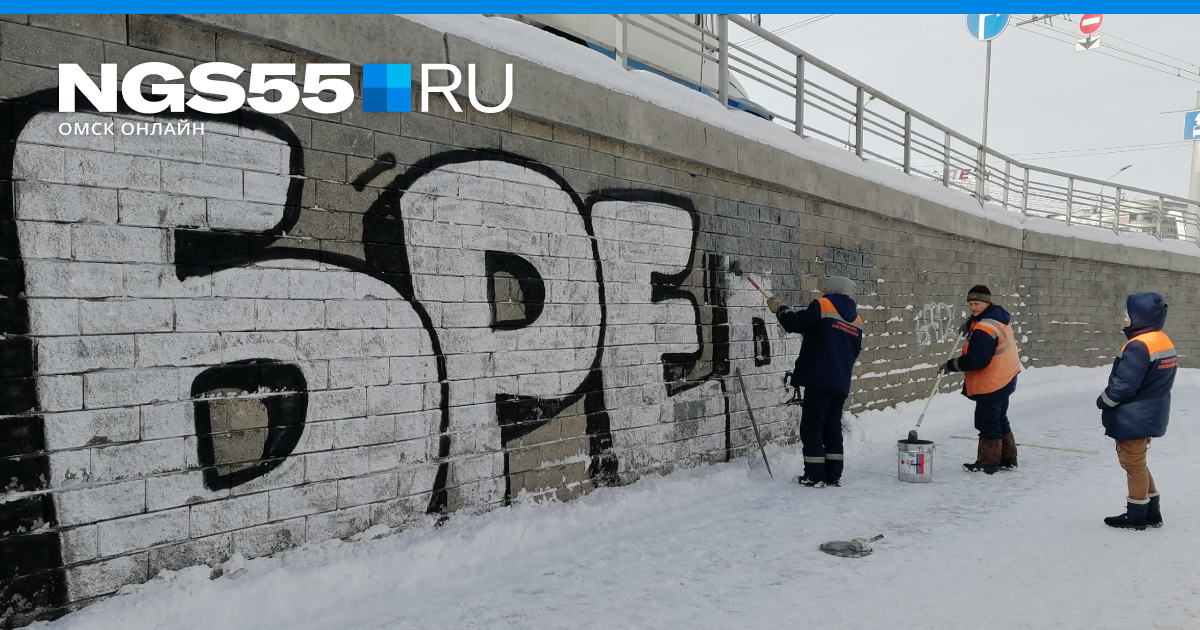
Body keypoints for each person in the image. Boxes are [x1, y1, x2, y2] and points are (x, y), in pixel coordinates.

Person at [767, 276, 863, 488]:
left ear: (836, 288)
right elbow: (854, 351)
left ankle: (814, 475)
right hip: (840, 381)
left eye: (827, 284)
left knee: (811, 427)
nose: (824, 287)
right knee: (832, 427)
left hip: (819, 379)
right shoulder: (856, 319)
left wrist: (779, 309)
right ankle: (833, 474)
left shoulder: (823, 304)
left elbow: (797, 323)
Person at [1096, 292, 1176, 531]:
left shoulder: (1139, 345)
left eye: (1129, 314)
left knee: (1132, 463)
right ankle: (1152, 510)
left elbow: (1123, 385)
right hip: (1151, 410)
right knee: (1138, 461)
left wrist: (1104, 401)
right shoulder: (1161, 339)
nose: (1125, 318)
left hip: (1133, 414)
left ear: (1140, 316)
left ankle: (1137, 514)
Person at [940, 285, 1021, 474]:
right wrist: (971, 324)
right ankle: (1008, 458)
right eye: (970, 304)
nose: (973, 308)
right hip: (1005, 377)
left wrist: (951, 365)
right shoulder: (996, 317)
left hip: (993, 381)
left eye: (976, 303)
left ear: (987, 302)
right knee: (999, 417)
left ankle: (988, 462)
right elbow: (982, 324)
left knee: (987, 421)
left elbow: (977, 359)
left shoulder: (985, 327)